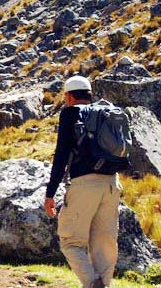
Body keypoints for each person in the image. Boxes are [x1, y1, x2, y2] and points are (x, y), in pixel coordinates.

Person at [44, 76, 122, 288]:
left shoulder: (70, 114)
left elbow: (61, 155)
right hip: (112, 184)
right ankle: (103, 284)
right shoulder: (104, 113)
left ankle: (92, 283)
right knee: (104, 242)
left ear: (69, 96)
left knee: (70, 241)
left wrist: (50, 193)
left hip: (84, 184)